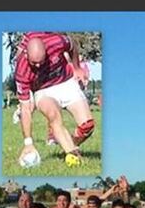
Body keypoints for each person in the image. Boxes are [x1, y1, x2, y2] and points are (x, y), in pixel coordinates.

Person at [14, 32, 94, 165]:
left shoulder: (56, 42)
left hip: (66, 83)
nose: (38, 66)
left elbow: (72, 45)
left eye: (41, 61)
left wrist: (77, 67)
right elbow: (26, 110)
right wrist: (28, 143)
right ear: (26, 55)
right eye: (34, 63)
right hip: (43, 91)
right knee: (53, 115)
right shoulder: (21, 70)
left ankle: (67, 141)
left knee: (88, 126)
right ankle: (72, 154)